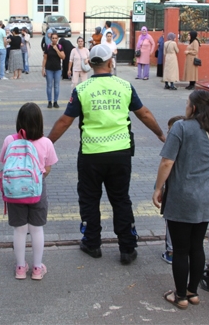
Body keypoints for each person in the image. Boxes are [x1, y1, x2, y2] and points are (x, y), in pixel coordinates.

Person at [48, 44, 166, 265]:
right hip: (120, 154)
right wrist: (160, 134)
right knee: (120, 199)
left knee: (90, 199)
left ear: (91, 64)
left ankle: (92, 243)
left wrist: (45, 144)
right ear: (111, 62)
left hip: (91, 155)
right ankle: (127, 249)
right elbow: (145, 114)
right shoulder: (125, 86)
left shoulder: (81, 90)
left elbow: (65, 121)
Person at [152, 89, 209, 309]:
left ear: (194, 107)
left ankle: (180, 296)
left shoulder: (180, 127)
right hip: (206, 197)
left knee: (180, 249)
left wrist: (158, 188)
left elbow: (167, 162)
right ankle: (193, 292)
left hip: (183, 196)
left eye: (188, 103)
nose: (186, 106)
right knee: (196, 247)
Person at [0, 102, 58, 280]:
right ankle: (37, 269)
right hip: (37, 190)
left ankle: (20, 268)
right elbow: (47, 168)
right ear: (40, 122)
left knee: (19, 229)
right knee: (37, 229)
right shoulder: (46, 142)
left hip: (14, 191)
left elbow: (4, 162)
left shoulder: (10, 140)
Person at [160, 115, 185, 264]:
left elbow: (165, 166)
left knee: (171, 221)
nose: (168, 134)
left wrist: (158, 188)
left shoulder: (172, 150)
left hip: (174, 191)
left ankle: (171, 251)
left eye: (170, 131)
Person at [42, 33, 65, 109]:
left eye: (56, 38)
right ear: (51, 39)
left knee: (56, 86)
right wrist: (43, 69)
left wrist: (57, 49)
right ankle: (49, 101)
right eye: (53, 38)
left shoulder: (60, 47)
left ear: (57, 39)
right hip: (49, 69)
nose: (54, 39)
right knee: (49, 86)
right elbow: (45, 58)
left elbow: (63, 57)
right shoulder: (48, 47)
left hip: (57, 69)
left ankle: (55, 102)